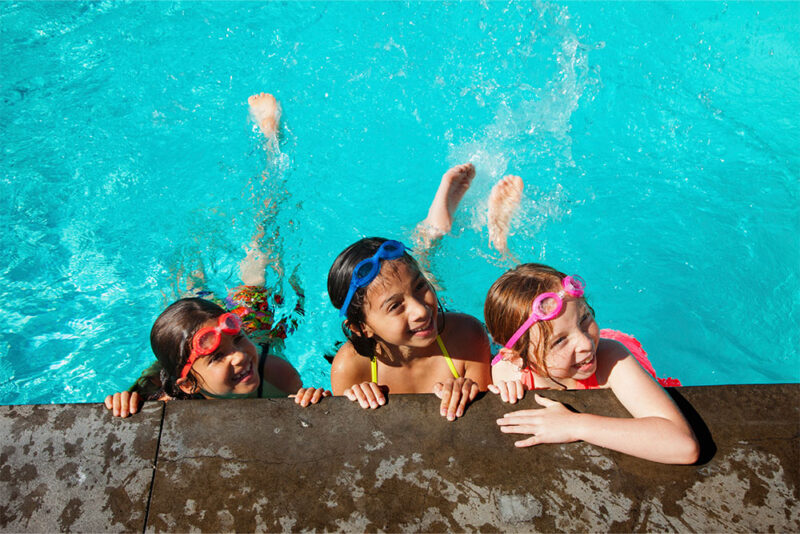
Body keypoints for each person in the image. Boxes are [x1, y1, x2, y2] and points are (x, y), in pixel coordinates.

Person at [105, 92, 330, 416]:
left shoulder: (276, 373)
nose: (239, 355)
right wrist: (124, 400)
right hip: (244, 326)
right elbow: (133, 399)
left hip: (247, 320)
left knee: (259, 242)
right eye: (217, 357)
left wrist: (307, 397)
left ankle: (271, 142)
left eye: (238, 341)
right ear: (188, 387)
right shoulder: (169, 399)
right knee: (250, 265)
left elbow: (305, 413)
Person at [484, 263, 699, 464]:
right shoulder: (507, 371)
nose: (585, 343)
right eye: (559, 340)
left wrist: (575, 424)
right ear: (516, 358)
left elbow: (683, 445)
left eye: (584, 319)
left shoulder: (612, 358)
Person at [328, 236, 492, 421]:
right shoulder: (350, 367)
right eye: (395, 306)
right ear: (361, 327)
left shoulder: (467, 336)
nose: (421, 310)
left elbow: (483, 418)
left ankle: (429, 239)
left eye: (420, 286)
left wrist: (469, 391)